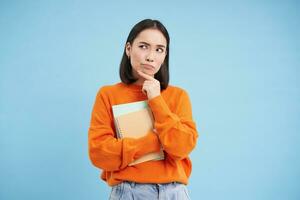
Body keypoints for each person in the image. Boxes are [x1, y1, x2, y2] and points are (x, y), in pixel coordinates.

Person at [88, 19, 198, 200]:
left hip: (174, 193)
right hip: (128, 192)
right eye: (144, 46)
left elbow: (182, 147)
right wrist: (155, 142)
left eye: (159, 49)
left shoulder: (178, 96)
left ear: (164, 56)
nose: (150, 56)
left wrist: (156, 99)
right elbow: (100, 154)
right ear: (128, 49)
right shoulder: (108, 94)